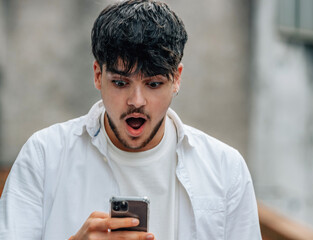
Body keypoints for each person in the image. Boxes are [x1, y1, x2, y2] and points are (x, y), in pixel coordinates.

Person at [0, 0, 261, 239]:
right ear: (97, 75)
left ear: (177, 79)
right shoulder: (45, 156)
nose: (136, 101)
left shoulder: (225, 169)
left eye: (154, 83)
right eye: (121, 82)